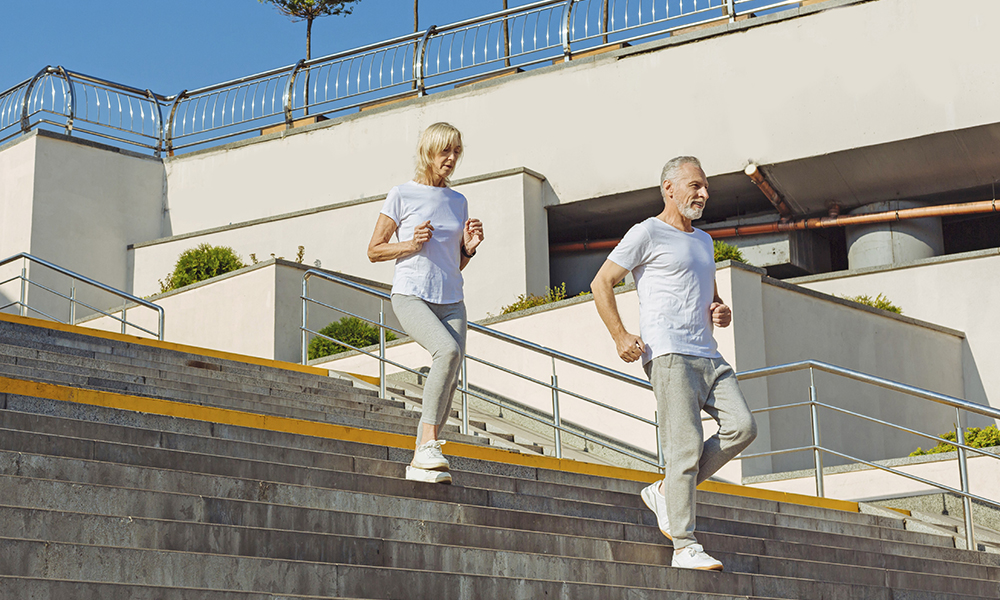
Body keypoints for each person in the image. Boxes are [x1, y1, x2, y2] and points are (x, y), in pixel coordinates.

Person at [590, 156, 757, 571]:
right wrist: (620, 335)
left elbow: (711, 297)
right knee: (684, 447)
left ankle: (666, 491)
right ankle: (684, 545)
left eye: (705, 188)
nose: (703, 194)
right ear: (669, 187)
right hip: (668, 353)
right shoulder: (646, 232)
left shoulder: (703, 240)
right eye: (694, 186)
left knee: (743, 427)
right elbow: (601, 282)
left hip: (708, 354)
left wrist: (720, 311)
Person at [367, 122, 485, 485]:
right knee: (447, 352)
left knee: (451, 376)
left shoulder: (458, 201)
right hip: (412, 294)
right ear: (428, 153)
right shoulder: (402, 194)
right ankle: (428, 443)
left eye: (456, 152)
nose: (451, 159)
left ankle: (423, 452)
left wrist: (468, 248)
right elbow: (373, 250)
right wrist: (410, 244)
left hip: (452, 297)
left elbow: (454, 261)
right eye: (444, 152)